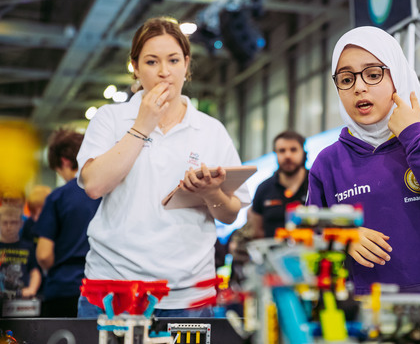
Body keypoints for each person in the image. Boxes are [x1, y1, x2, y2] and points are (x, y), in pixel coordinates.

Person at [306, 26, 420, 338]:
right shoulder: (328, 163)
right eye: (346, 79)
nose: (359, 88)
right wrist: (341, 236)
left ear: (396, 75)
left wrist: (413, 135)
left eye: (372, 74)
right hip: (364, 328)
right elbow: (306, 240)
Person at [76, 16, 250, 318]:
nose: (164, 72)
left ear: (187, 64)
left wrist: (211, 193)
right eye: (151, 62)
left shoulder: (210, 130)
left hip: (189, 297)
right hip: (113, 291)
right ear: (135, 66)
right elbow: (93, 185)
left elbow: (230, 212)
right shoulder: (111, 119)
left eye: (173, 60)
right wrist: (142, 125)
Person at [34, 129, 101, 317]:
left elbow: (44, 254)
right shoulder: (107, 193)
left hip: (64, 289)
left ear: (64, 161)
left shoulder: (57, 198)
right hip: (102, 288)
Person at [246, 130, 309, 239]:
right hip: (272, 253)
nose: (288, 155)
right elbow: (256, 232)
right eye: (282, 151)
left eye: (293, 150)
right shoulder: (263, 189)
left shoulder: (318, 184)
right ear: (275, 154)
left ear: (303, 152)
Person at [0, 205, 41, 299]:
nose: (9, 227)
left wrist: (32, 289)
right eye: (5, 223)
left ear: (21, 224)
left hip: (21, 295)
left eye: (13, 223)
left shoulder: (28, 247)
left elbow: (34, 271)